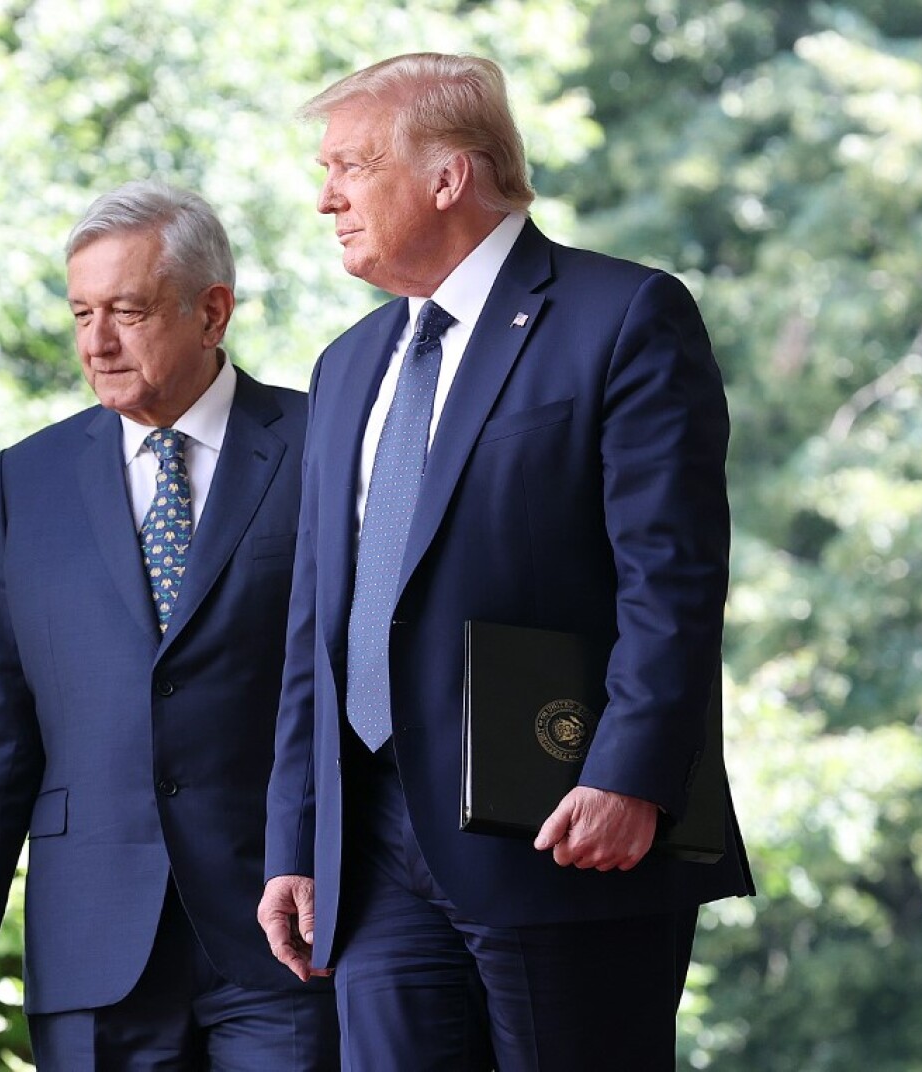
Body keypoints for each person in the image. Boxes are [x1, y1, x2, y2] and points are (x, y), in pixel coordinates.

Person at [257, 53, 754, 1070]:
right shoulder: (347, 365)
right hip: (376, 848)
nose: (325, 198)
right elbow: (319, 621)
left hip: (563, 825)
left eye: (352, 166)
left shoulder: (624, 317)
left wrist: (634, 774)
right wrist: (299, 837)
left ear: (447, 177)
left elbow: (672, 576)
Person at [0, 180, 338, 1070]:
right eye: (80, 313)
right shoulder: (26, 480)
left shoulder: (327, 447)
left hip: (287, 930)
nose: (96, 343)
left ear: (211, 311)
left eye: (126, 311)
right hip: (92, 933)